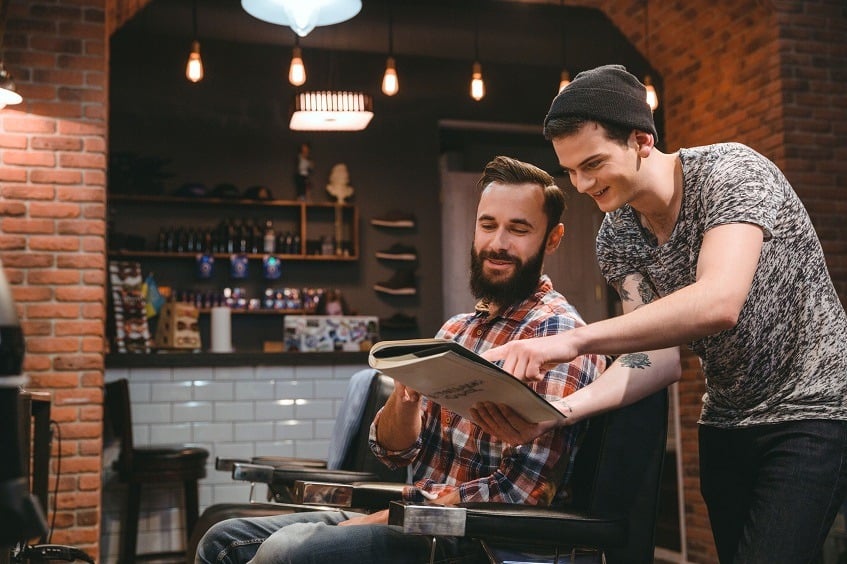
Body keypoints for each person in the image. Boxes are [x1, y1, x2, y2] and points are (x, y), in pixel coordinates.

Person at [474, 65, 847, 564]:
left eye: (594, 164)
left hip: (812, 408)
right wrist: (555, 415)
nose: (583, 185)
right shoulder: (618, 236)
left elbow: (718, 302)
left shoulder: (731, 173)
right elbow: (656, 360)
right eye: (570, 171)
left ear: (642, 140)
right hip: (727, 419)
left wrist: (567, 342)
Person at [195, 156, 606, 564]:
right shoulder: (456, 332)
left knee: (286, 552)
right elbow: (393, 452)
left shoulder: (558, 336)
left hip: (472, 540)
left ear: (552, 239)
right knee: (222, 540)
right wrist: (405, 400)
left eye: (518, 229)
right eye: (487, 225)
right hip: (412, 518)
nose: (498, 242)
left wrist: (390, 521)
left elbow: (522, 493)